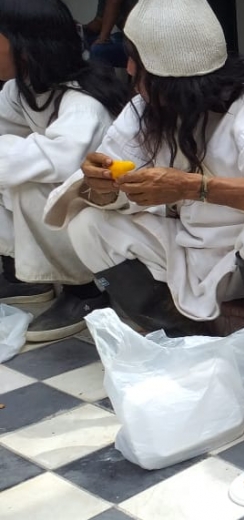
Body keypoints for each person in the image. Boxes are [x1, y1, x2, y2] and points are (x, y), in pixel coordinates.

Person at [43, 0, 244, 411]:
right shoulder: (142, 111)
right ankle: (182, 339)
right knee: (87, 224)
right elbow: (114, 187)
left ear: (170, 74)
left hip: (242, 262)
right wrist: (101, 186)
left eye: (136, 61)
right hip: (181, 246)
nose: (128, 71)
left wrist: (194, 187)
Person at [0, 0, 126, 342]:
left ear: (27, 45)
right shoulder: (21, 88)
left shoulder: (83, 101)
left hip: (111, 213)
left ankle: (87, 292)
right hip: (75, 202)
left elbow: (61, 161)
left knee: (29, 185)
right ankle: (21, 275)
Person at [80, 0, 136, 69]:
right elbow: (99, 23)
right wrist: (80, 28)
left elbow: (114, 2)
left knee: (97, 51)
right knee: (85, 41)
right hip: (127, 37)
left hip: (141, 42)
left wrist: (103, 38)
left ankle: (105, 79)